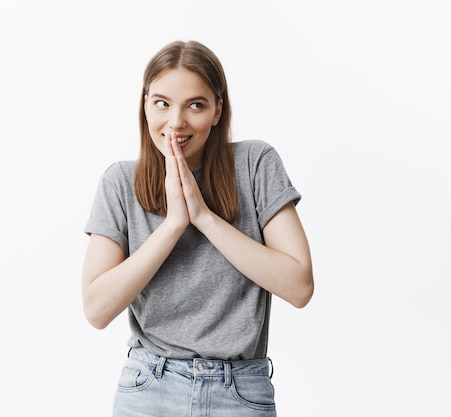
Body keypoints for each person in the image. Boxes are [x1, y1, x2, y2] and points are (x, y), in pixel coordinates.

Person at [81, 40, 314, 416]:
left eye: (195, 105)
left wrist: (204, 217)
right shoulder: (120, 182)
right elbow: (96, 309)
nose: (176, 122)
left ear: (218, 110)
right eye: (162, 103)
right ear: (144, 105)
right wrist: (173, 225)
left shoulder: (256, 164)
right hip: (149, 387)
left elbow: (300, 286)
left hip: (239, 391)